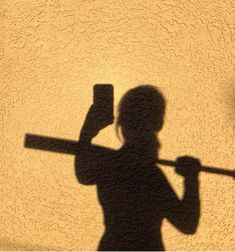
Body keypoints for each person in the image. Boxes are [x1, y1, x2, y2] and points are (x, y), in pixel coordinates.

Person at [75, 85, 200, 251]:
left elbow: (83, 173)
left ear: (123, 123)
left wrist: (87, 132)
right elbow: (187, 223)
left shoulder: (112, 165)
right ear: (159, 123)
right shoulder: (149, 175)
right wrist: (191, 179)